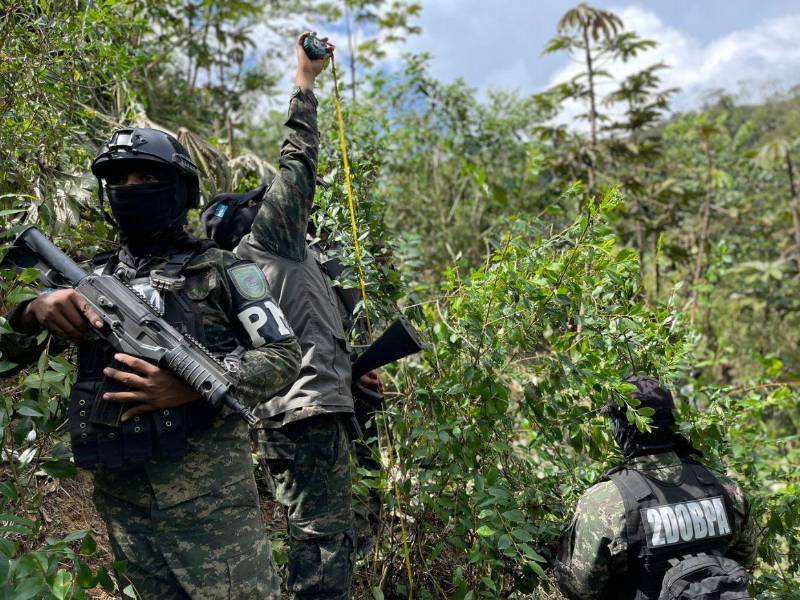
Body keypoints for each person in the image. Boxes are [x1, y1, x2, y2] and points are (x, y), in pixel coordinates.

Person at [1, 129, 301, 599]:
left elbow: (283, 354)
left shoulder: (224, 270)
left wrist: (196, 385)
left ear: (179, 189)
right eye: (119, 179)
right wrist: (31, 311)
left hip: (213, 517)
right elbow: (10, 353)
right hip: (124, 507)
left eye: (146, 176)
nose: (131, 187)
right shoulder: (91, 280)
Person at [234, 32, 377, 599]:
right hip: (306, 414)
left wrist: (355, 372)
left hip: (311, 408)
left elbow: (303, 333)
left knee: (324, 539)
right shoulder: (269, 246)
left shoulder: (279, 267)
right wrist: (305, 81)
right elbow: (298, 164)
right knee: (321, 547)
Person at [555, 376, 759, 600]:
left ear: (619, 428)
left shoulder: (604, 502)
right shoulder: (726, 489)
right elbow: (744, 560)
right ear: (671, 422)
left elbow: (579, 589)